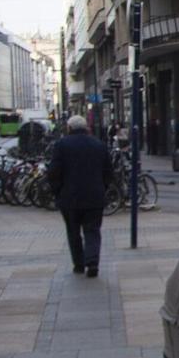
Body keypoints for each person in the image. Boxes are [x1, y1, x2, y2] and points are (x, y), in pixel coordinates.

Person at [48, 115, 115, 278]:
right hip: (94, 197)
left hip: (69, 198)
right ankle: (92, 262)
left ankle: (78, 264)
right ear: (86, 128)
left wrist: (57, 191)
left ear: (69, 128)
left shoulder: (61, 145)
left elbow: (54, 172)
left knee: (73, 232)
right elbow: (109, 171)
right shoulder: (99, 145)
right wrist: (103, 188)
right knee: (92, 230)